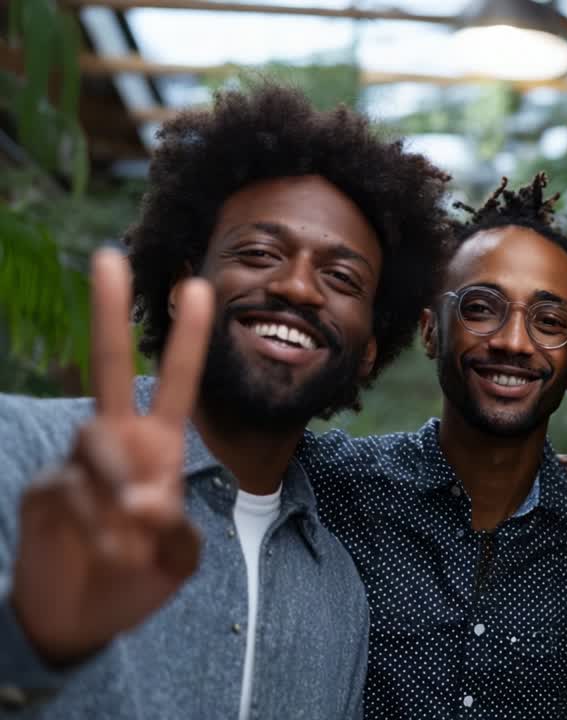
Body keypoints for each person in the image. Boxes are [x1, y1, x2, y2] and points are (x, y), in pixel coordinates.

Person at [0, 83, 451, 719]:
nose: (297, 287)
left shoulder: (338, 595)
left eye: (341, 278)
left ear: (370, 350)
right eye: (260, 253)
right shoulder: (20, 454)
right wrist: (28, 648)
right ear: (185, 290)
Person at [299, 173, 567, 719]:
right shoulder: (331, 488)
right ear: (431, 330)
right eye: (482, 308)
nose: (512, 341)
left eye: (549, 321)